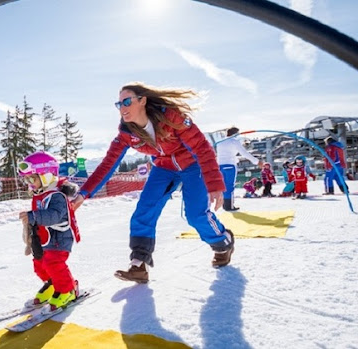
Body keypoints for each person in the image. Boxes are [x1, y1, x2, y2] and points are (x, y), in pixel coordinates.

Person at [71, 82, 235, 284]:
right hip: (164, 168)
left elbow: (201, 147)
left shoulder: (171, 116)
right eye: (119, 104)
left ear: (142, 101)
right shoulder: (126, 134)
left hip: (193, 164)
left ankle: (223, 242)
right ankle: (139, 264)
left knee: (196, 215)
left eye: (127, 101)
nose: (123, 108)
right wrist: (83, 194)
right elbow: (107, 165)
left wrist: (214, 182)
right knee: (143, 211)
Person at [18, 151, 81, 311]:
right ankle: (53, 284)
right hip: (44, 239)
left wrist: (34, 216)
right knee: (39, 263)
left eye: (32, 178)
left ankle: (68, 289)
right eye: (27, 179)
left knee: (53, 263)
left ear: (46, 176)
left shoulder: (57, 196)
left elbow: (55, 216)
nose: (29, 183)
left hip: (60, 238)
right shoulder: (40, 194)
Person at [216, 126, 261, 210]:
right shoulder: (234, 141)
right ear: (235, 134)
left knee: (224, 186)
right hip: (230, 165)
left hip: (220, 166)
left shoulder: (220, 142)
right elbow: (244, 153)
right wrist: (257, 161)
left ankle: (225, 205)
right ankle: (229, 206)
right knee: (230, 186)